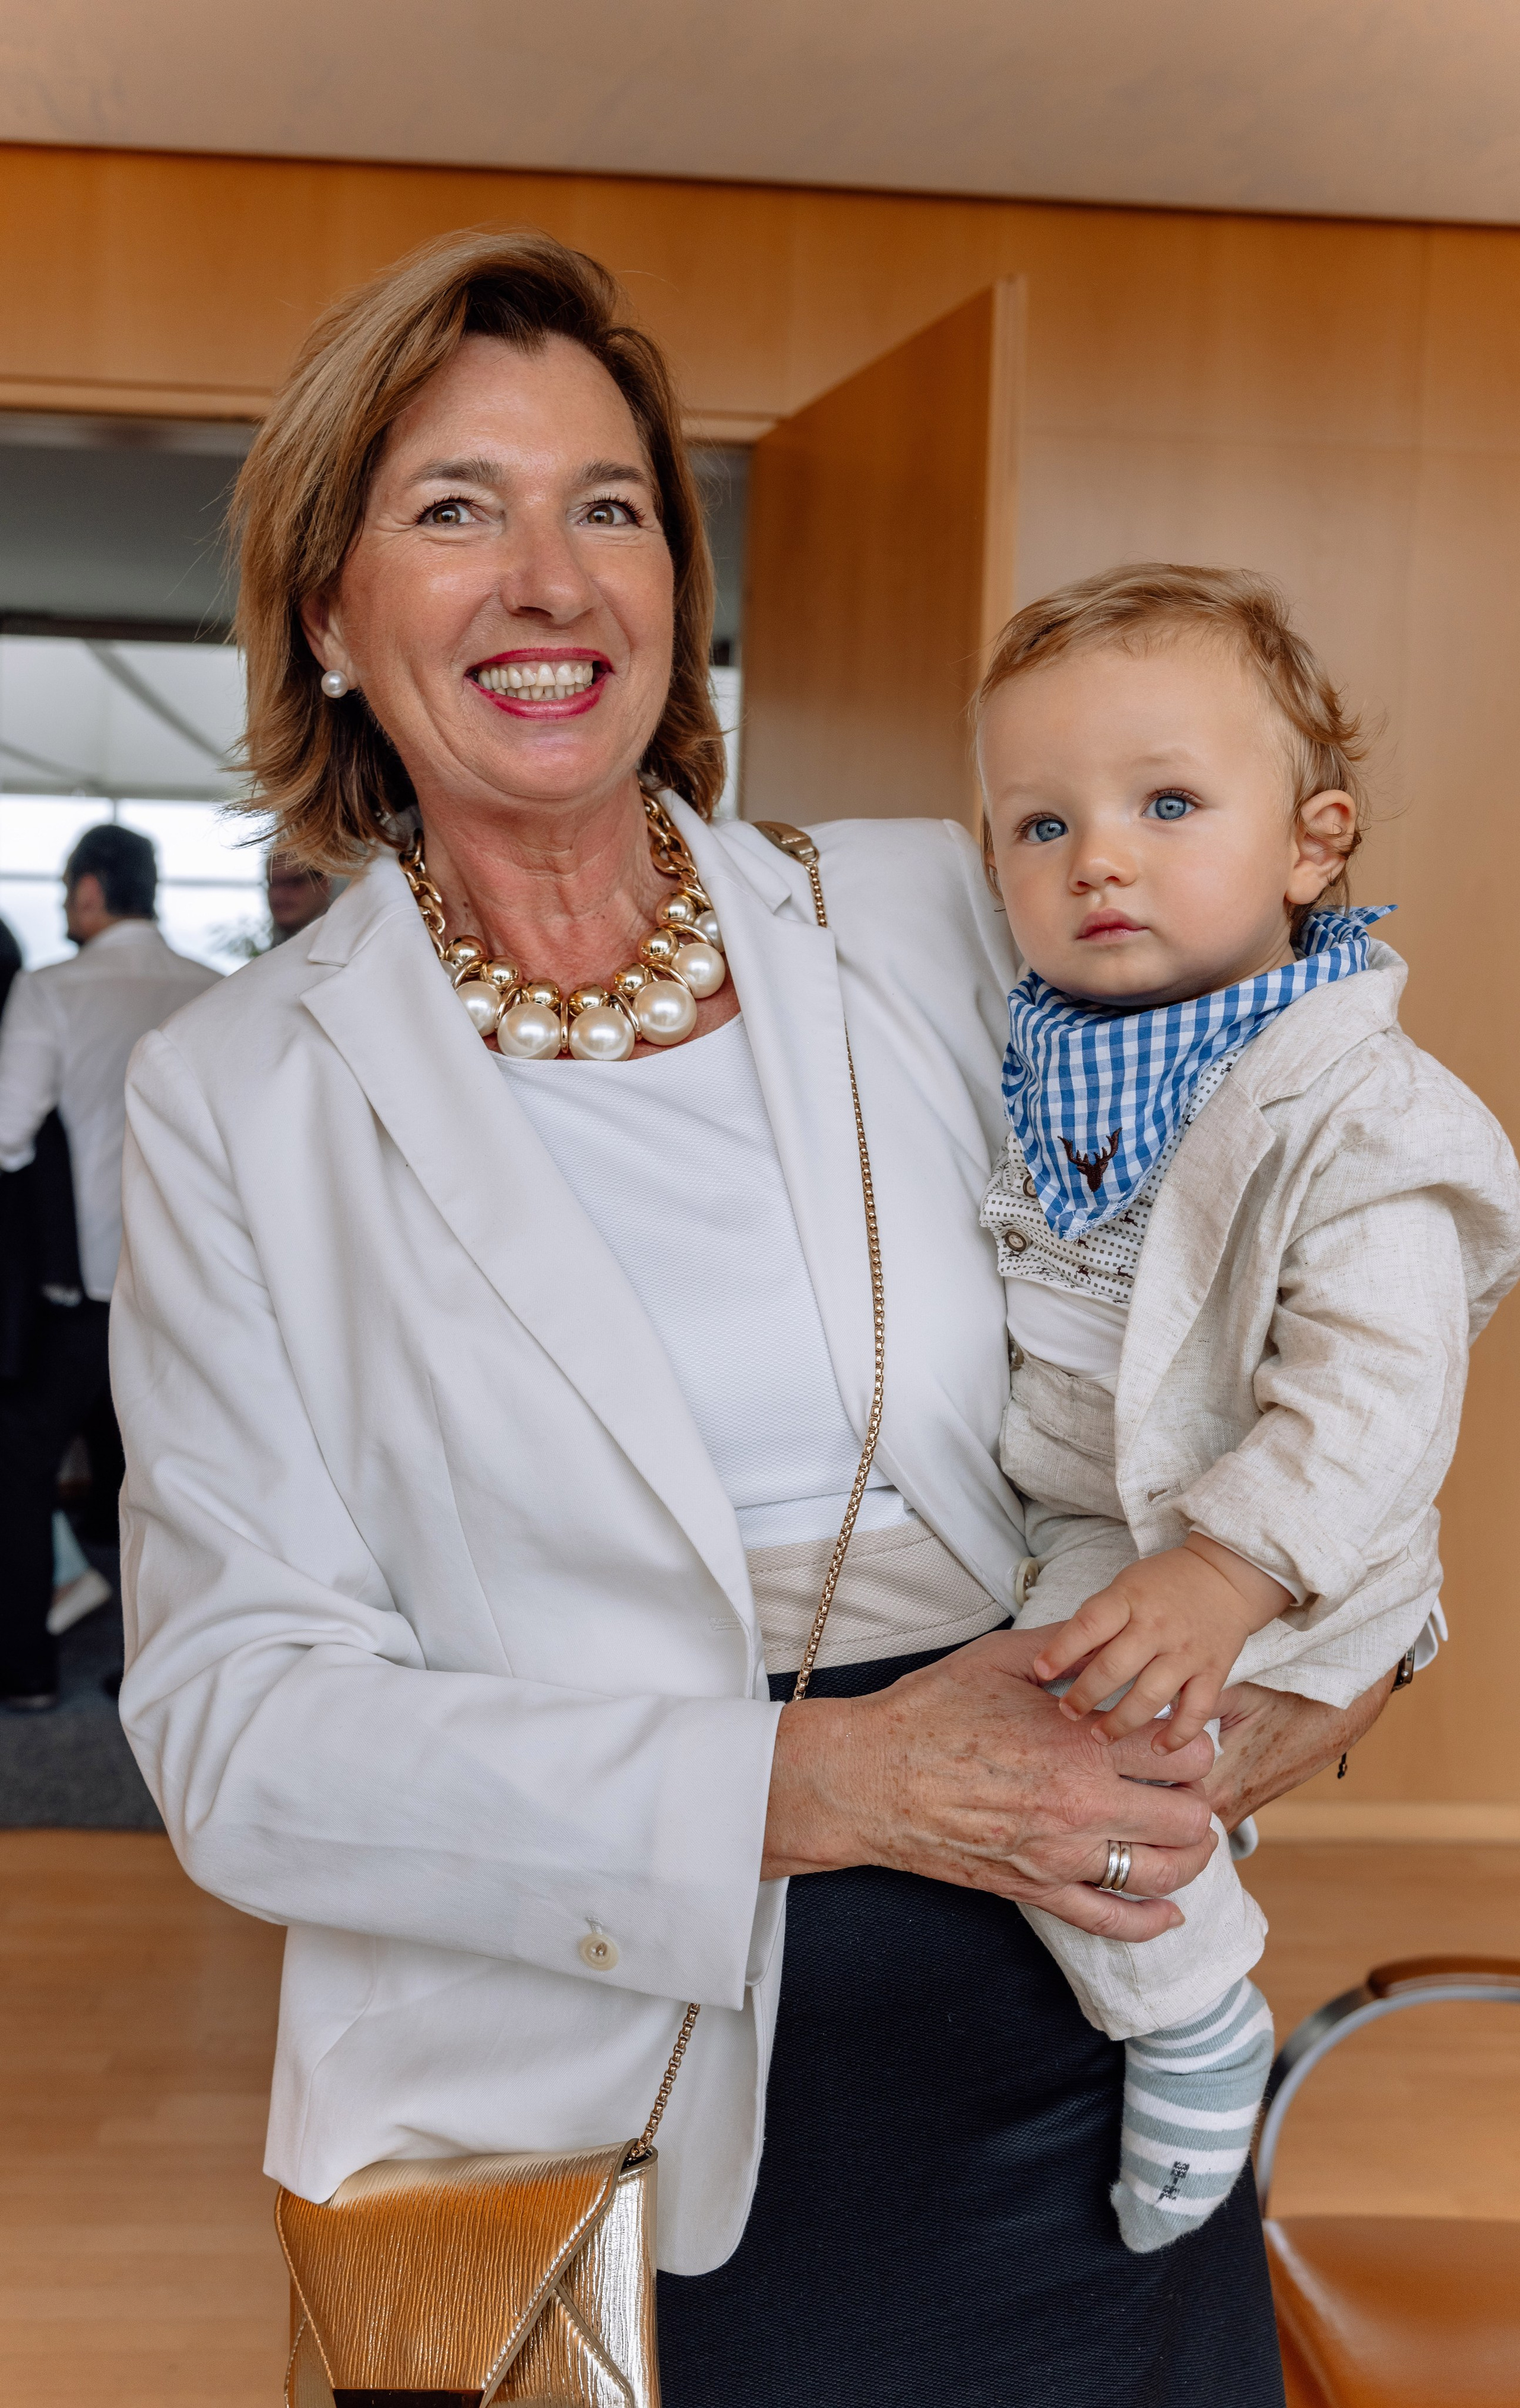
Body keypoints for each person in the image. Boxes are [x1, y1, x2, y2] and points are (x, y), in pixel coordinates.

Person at [113, 231, 1393, 2407]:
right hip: (594, 2137)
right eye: (452, 509)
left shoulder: (925, 907)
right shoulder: (236, 1097)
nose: (545, 576)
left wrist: (1316, 1649)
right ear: (326, 614)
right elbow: (241, 1732)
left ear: (676, 588)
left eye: (606, 505)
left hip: (1093, 2064)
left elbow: (1308, 1204)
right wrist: (844, 1780)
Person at [971, 563, 1520, 2256]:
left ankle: (1195, 2002)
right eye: (1038, 825)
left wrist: (1230, 1569)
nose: (1098, 857)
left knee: (1061, 1767)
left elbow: (1377, 1389)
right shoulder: (1051, 1045)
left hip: (1255, 1542)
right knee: (1049, 1749)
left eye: (1166, 802)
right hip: (1083, 1511)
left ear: (1312, 842)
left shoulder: (1363, 1104)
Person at [0, 825, 218, 1707]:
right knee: (171, 1483)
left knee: (17, 1467)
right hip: (191, 1288)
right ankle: (166, 1680)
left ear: (92, 890)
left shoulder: (51, 992)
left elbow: (6, 1132)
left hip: (86, 1287)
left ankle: (25, 1673)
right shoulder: (216, 990)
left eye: (66, 886)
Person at [265, 847, 331, 943]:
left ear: (324, 883)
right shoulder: (278, 944)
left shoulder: (342, 942)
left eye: (292, 883)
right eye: (272, 884)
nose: (277, 895)